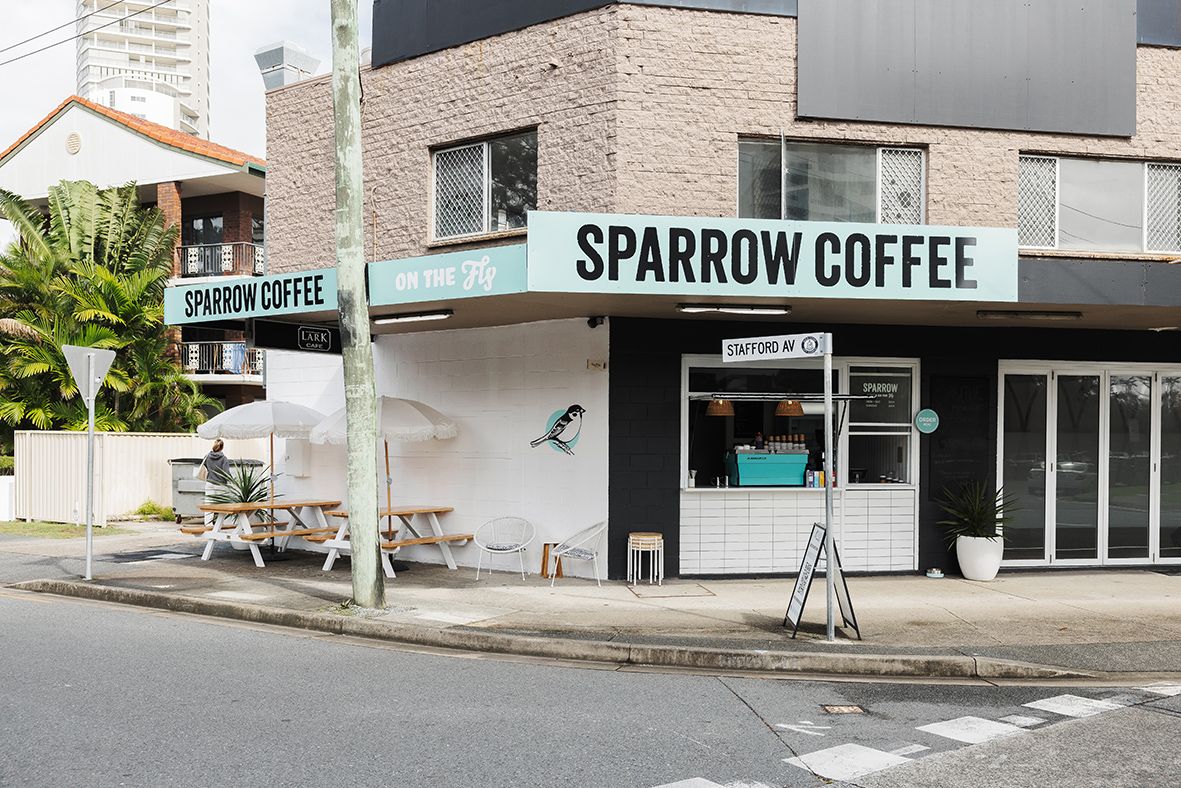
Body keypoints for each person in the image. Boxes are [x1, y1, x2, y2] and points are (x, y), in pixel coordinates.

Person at [201, 439, 232, 526]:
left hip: (210, 483)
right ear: (222, 447)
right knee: (222, 506)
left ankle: (208, 524)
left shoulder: (207, 456)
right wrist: (232, 480)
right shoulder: (223, 458)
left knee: (209, 504)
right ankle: (220, 524)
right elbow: (226, 473)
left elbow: (206, 466)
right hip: (220, 485)